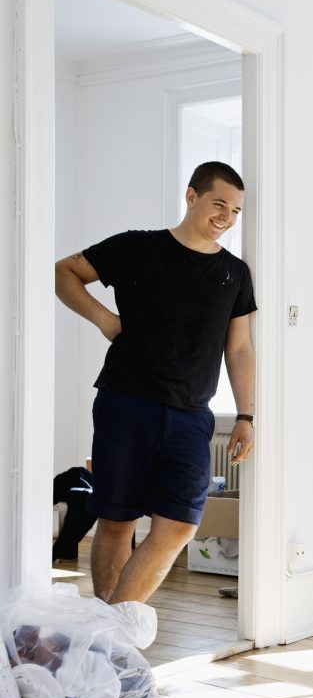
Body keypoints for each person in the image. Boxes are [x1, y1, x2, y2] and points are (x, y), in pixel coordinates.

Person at [55, 161, 256, 605]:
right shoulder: (136, 246)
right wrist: (104, 319)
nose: (226, 216)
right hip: (126, 402)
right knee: (117, 520)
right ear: (191, 196)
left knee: (180, 525)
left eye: (236, 210)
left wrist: (246, 415)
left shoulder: (235, 273)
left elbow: (239, 347)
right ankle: (113, 631)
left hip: (192, 415)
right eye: (219, 203)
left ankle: (116, 622)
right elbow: (63, 271)